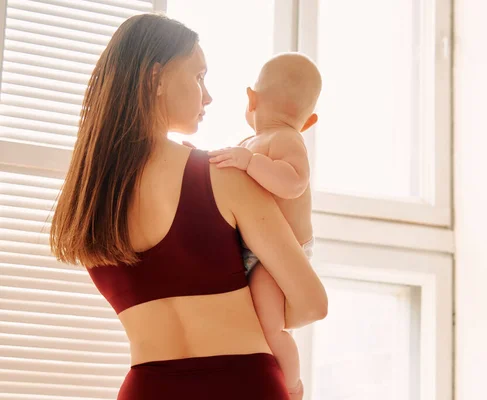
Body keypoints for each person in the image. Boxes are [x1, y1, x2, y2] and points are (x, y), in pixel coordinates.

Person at [49, 13, 327, 400]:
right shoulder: (222, 175)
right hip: (244, 385)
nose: (208, 96)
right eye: (199, 77)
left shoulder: (85, 203)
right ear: (156, 79)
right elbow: (312, 304)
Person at [207, 53, 321, 399]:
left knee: (271, 325)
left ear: (251, 99)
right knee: (248, 321)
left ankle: (291, 387)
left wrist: (252, 162)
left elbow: (294, 182)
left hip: (284, 256)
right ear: (310, 119)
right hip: (257, 250)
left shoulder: (285, 140)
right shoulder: (247, 145)